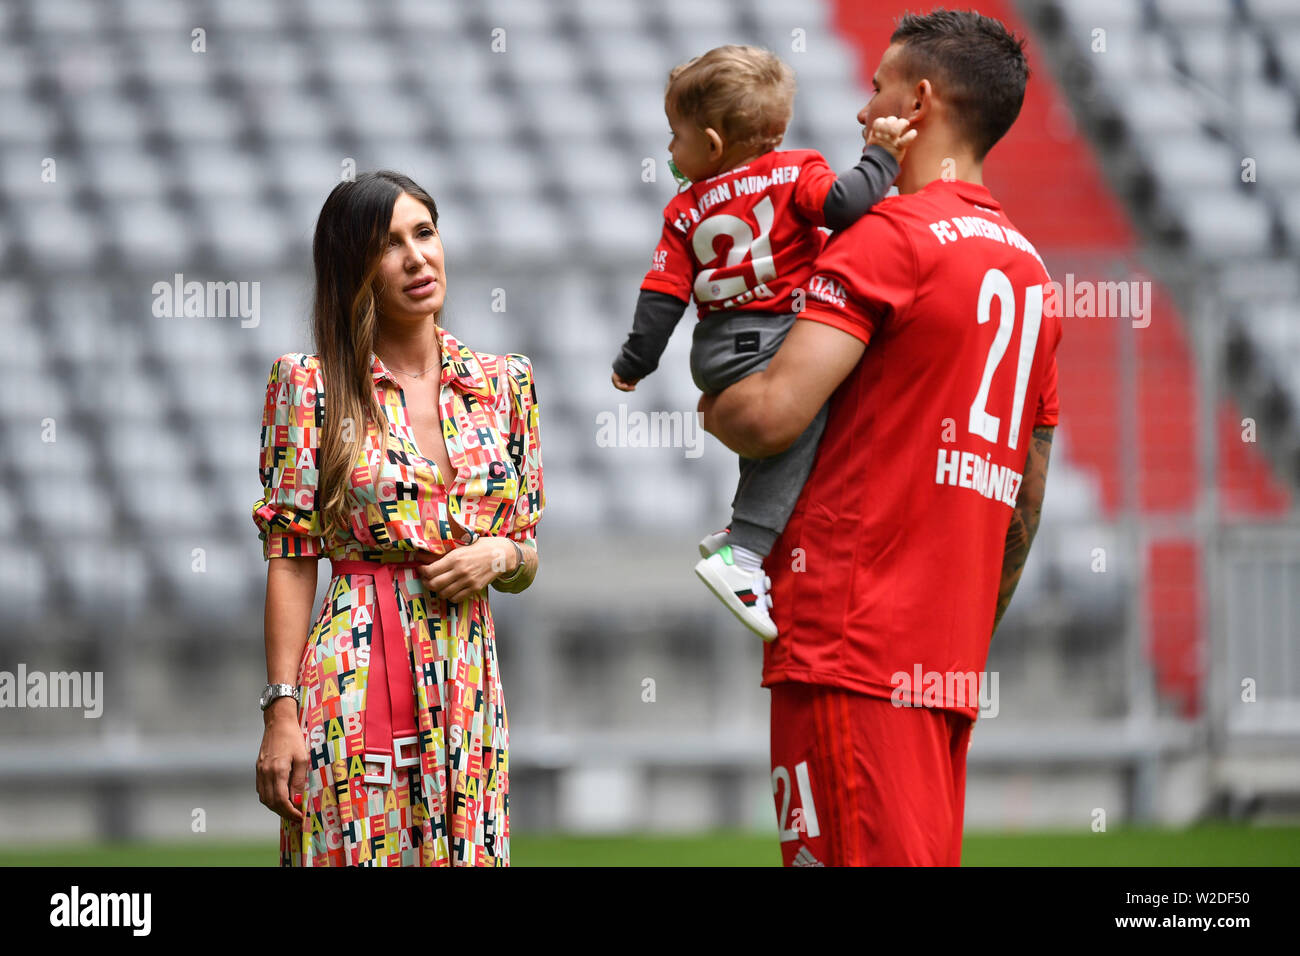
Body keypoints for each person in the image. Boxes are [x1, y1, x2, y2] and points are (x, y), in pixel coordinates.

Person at [700, 10, 1060, 866]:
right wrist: (962, 632)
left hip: (846, 649)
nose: (864, 116)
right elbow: (1029, 492)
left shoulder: (887, 238)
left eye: (876, 91)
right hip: (944, 665)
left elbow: (774, 415)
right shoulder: (1032, 273)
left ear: (921, 99)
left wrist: (713, 403)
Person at [252, 170, 544, 866]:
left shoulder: (506, 382)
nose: (417, 257)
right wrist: (280, 713)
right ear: (354, 266)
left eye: (425, 232)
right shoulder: (309, 384)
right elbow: (292, 556)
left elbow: (527, 551)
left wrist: (498, 557)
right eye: (390, 244)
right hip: (352, 670)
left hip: (468, 679)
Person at [610, 44, 916, 641]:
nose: (670, 152)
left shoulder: (684, 208)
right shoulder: (796, 170)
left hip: (717, 349)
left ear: (714, 145)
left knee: (775, 440)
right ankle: (746, 554)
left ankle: (741, 528)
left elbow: (663, 296)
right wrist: (880, 156)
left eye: (676, 137)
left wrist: (635, 361)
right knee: (799, 424)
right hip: (776, 332)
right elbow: (848, 205)